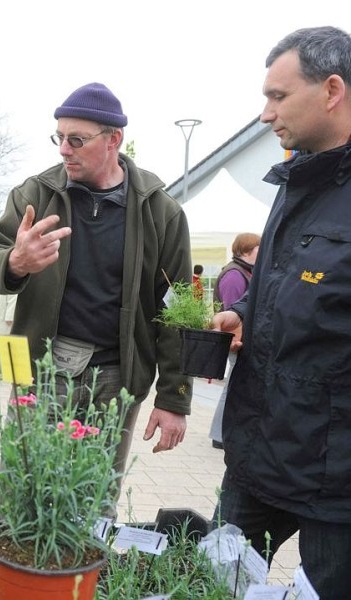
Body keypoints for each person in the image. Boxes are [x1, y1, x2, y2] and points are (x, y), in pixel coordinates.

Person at [0, 82, 193, 480]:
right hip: (41, 368)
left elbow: (177, 309)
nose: (63, 149)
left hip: (117, 376)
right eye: (59, 138)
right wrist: (16, 261)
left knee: (94, 500)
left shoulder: (160, 211)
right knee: (25, 492)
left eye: (77, 139)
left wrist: (174, 399)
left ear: (114, 139)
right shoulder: (36, 194)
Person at [210, 27, 351, 599]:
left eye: (278, 96)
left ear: (333, 90)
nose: (266, 115)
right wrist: (243, 312)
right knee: (211, 581)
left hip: (337, 477)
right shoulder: (295, 183)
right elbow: (276, 283)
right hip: (259, 451)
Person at [208, 233, 260, 450]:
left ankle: (222, 432)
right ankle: (220, 434)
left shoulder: (244, 272)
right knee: (232, 385)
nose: (262, 250)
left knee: (233, 385)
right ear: (246, 249)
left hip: (240, 338)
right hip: (234, 338)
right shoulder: (234, 274)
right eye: (259, 247)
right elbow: (232, 307)